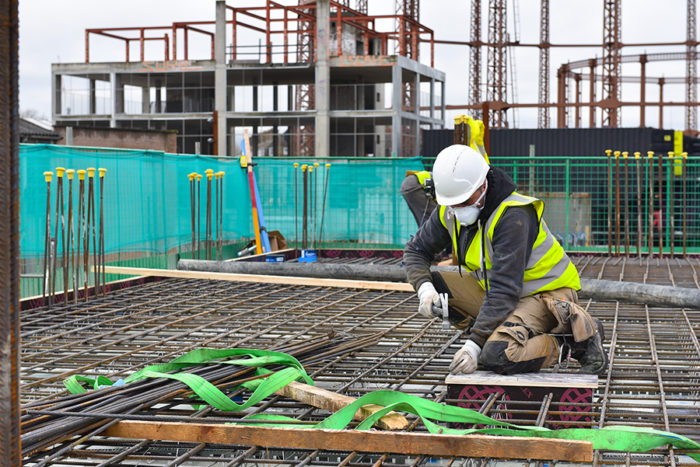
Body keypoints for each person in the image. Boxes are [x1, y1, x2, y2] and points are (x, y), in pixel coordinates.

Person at [403, 144, 608, 375]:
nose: (458, 209)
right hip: (499, 293)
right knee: (438, 285)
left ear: (483, 185)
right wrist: (425, 290)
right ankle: (494, 333)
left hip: (545, 295)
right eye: (453, 203)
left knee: (498, 355)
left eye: (465, 201)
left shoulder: (514, 215)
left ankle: (573, 343)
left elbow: (504, 290)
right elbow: (416, 250)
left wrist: (475, 346)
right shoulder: (449, 209)